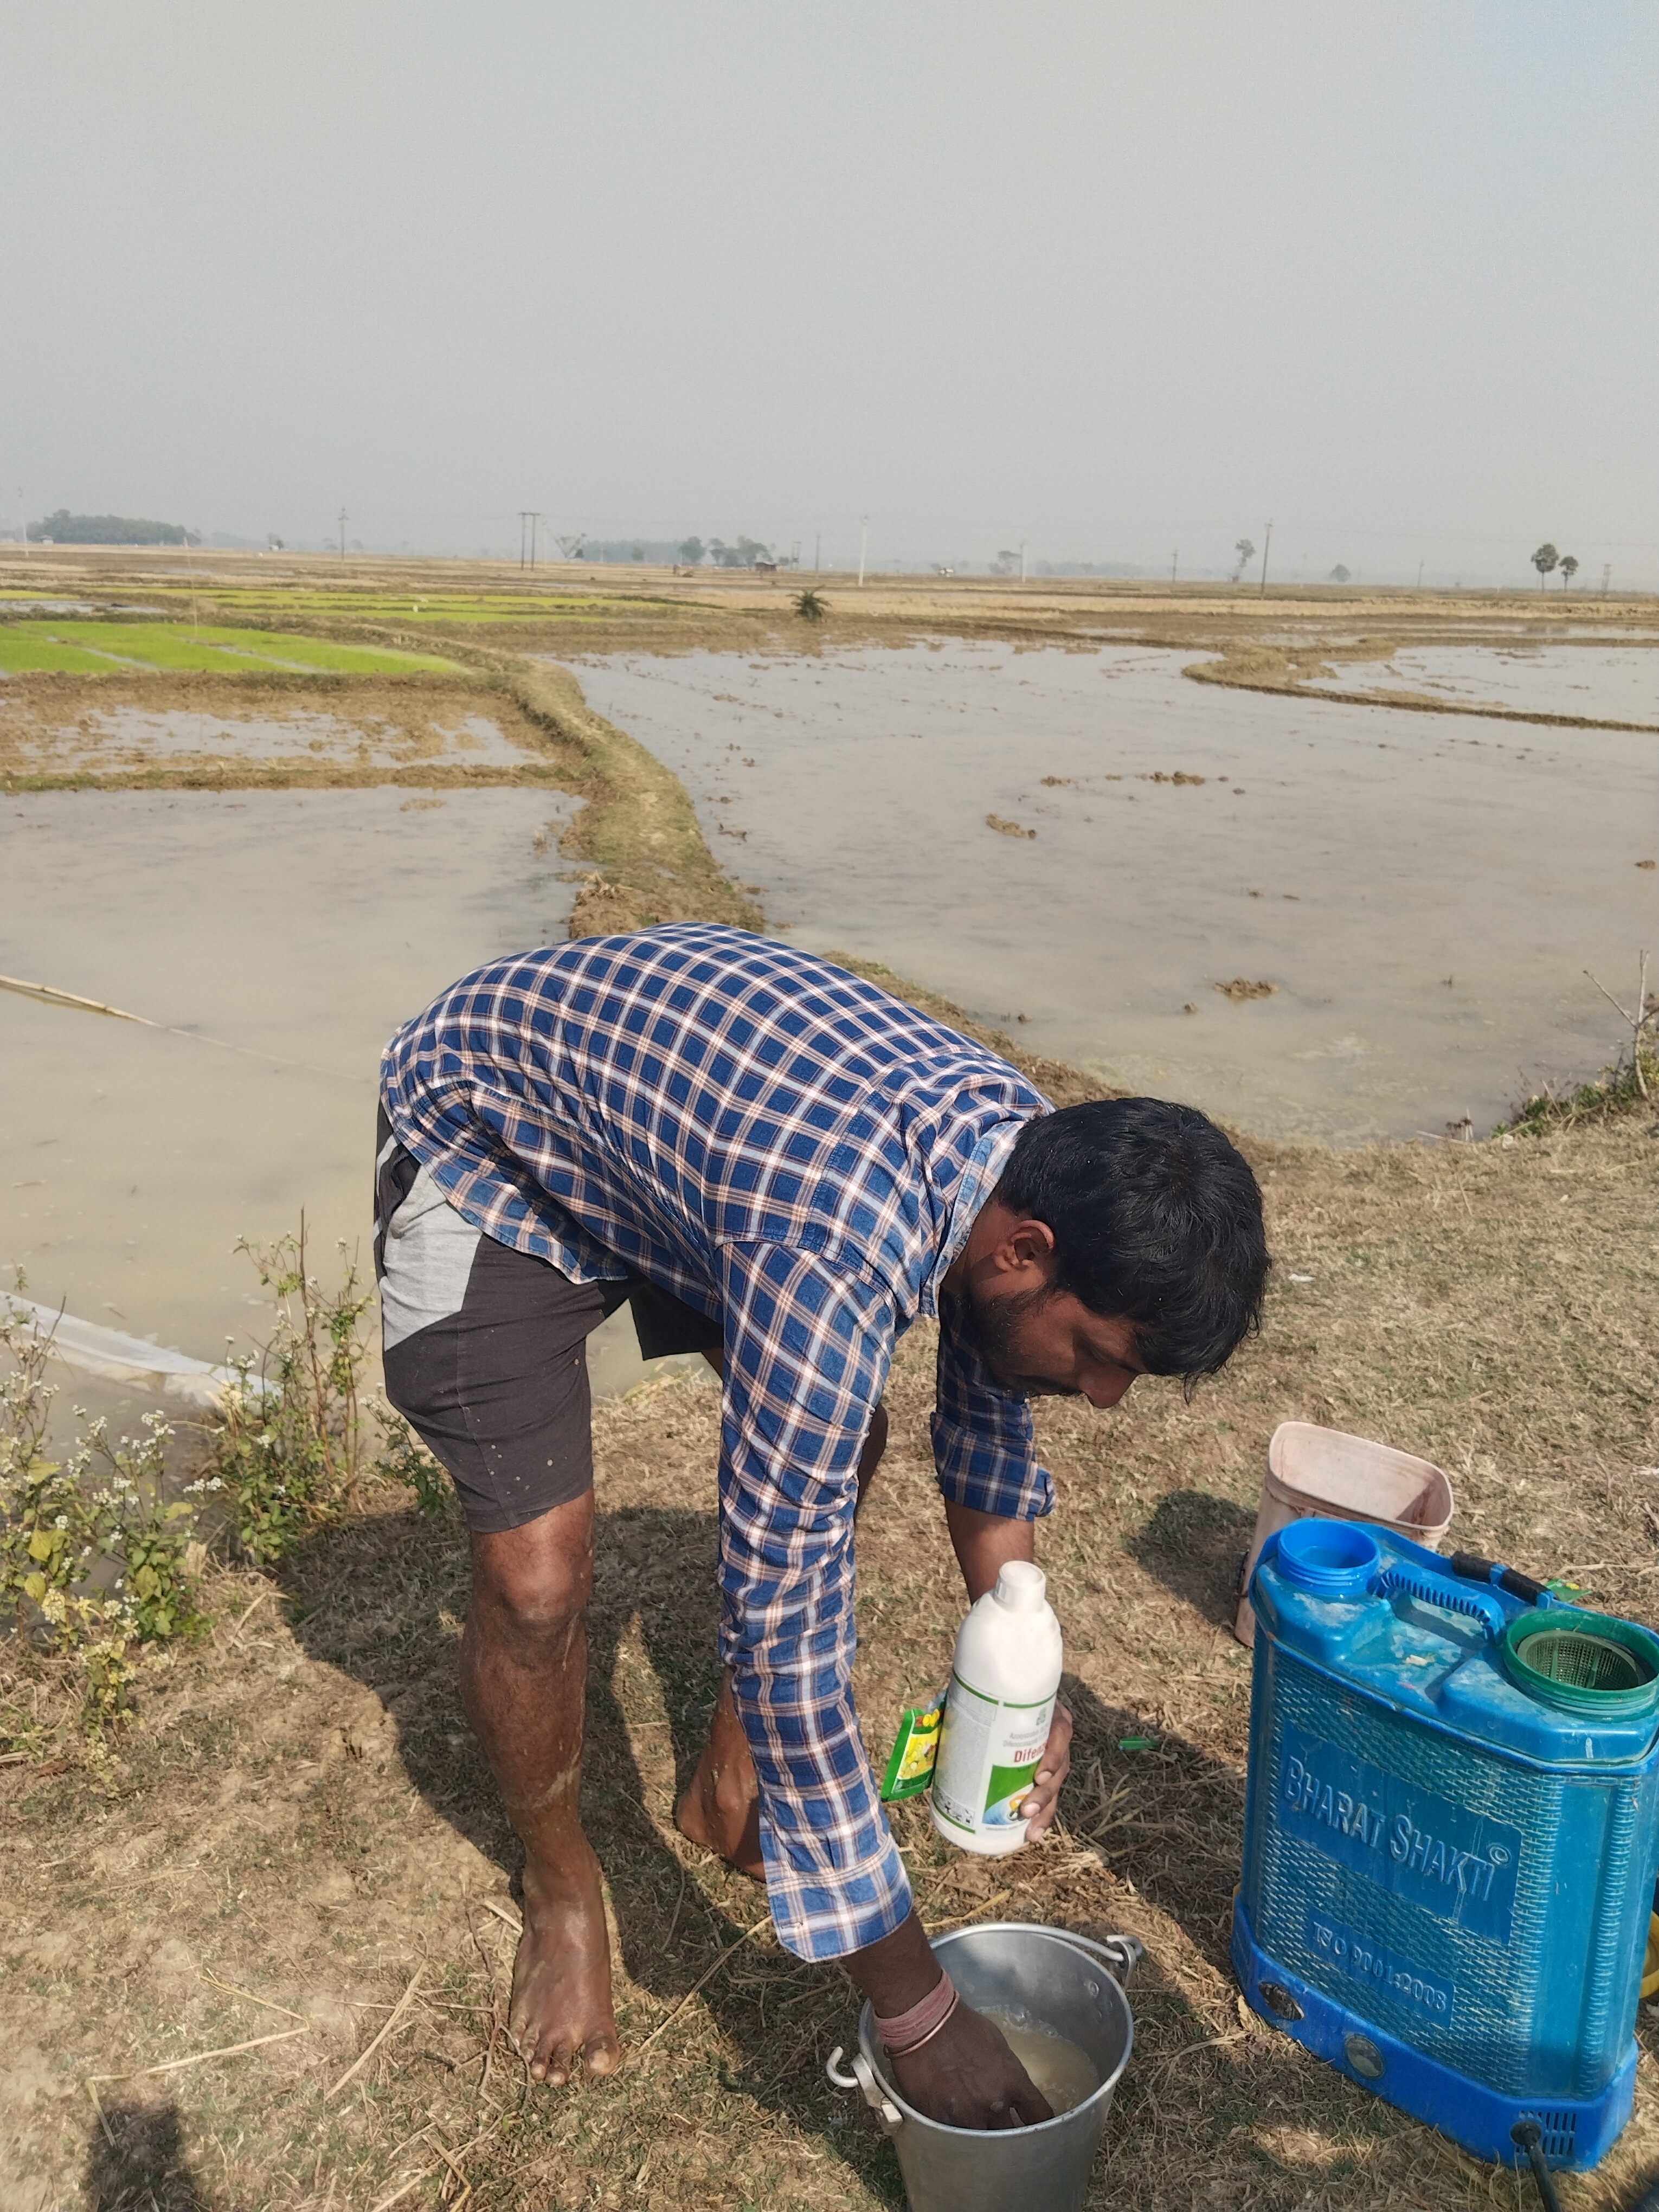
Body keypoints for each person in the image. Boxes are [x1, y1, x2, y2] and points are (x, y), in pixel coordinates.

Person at [375, 923, 1268, 2129]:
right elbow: (785, 1623)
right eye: (1103, 1357)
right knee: (536, 1585)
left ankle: (726, 1789)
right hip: (492, 1137)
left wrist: (1027, 1664)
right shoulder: (829, 1242)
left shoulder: (1026, 1166)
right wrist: (921, 2018)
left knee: (838, 1431)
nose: (1105, 1398)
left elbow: (988, 1411)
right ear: (1025, 1251)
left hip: (693, 1151)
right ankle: (564, 1882)